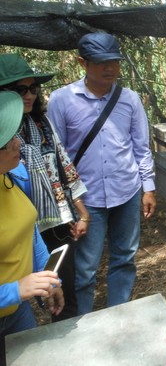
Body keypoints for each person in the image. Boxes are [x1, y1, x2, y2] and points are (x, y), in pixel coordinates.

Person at [47, 32, 157, 315]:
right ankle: (85, 324)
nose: (110, 69)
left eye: (115, 62)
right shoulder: (62, 100)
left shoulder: (129, 99)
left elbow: (141, 147)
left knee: (125, 258)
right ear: (82, 62)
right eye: (101, 63)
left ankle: (118, 315)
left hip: (127, 192)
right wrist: (71, 204)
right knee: (85, 268)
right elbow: (56, 156)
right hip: (88, 200)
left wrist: (148, 188)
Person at [0, 54, 90, 321]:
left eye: (33, 88)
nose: (28, 95)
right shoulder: (6, 131)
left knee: (61, 287)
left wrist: (81, 212)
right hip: (17, 226)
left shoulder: (42, 124)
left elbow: (62, 164)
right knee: (19, 289)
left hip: (53, 220)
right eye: (19, 90)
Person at [0, 91, 64, 362]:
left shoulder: (14, 175)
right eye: (7, 141)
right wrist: (16, 289)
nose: (18, 143)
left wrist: (48, 276)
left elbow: (29, 230)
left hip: (16, 313)